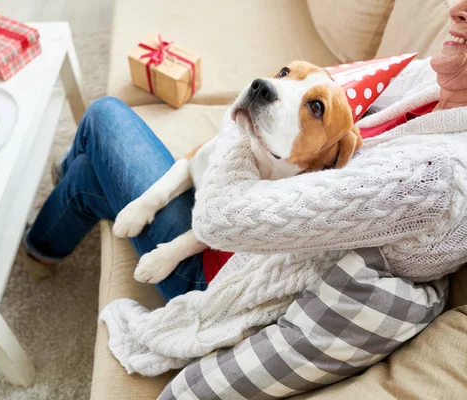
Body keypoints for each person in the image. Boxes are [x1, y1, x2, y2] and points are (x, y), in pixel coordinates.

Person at [23, 1, 467, 372]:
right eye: (282, 74)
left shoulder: (435, 176)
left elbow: (223, 220)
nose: (457, 7)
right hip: (226, 209)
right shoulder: (432, 78)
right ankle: (54, 223)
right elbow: (324, 81)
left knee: (101, 118)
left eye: (314, 108)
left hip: (218, 273)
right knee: (90, 170)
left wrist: (245, 126)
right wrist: (262, 115)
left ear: (333, 156)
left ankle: (48, 232)